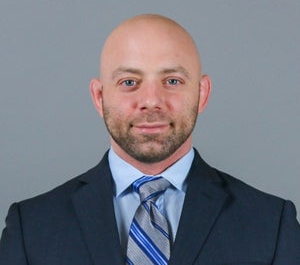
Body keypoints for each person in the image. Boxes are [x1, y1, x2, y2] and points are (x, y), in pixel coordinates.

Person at [0, 14, 299, 265]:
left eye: (172, 81)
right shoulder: (31, 228)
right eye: (129, 82)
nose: (151, 101)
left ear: (202, 93)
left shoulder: (272, 225)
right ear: (99, 96)